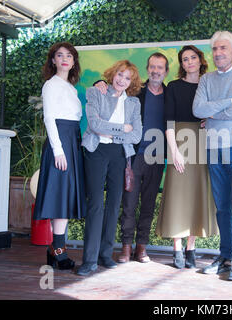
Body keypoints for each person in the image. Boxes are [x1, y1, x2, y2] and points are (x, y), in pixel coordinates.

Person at [193, 31, 232, 281]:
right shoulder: (207, 79)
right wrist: (229, 102)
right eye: (215, 49)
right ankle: (225, 256)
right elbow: (198, 108)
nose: (218, 53)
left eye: (223, 48)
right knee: (222, 206)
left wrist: (213, 114)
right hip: (213, 146)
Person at [94, 52, 168, 264]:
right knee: (129, 202)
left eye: (160, 67)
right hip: (133, 154)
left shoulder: (170, 93)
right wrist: (99, 81)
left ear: (165, 71)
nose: (155, 71)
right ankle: (126, 246)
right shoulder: (136, 90)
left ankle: (141, 247)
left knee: (148, 203)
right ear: (147, 69)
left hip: (157, 156)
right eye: (152, 67)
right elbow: (112, 88)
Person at [77, 60, 142, 276]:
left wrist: (112, 133)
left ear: (131, 82)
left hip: (119, 154)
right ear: (112, 74)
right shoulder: (96, 93)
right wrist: (122, 128)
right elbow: (94, 124)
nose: (122, 80)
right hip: (96, 152)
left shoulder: (133, 103)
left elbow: (136, 135)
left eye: (127, 78)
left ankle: (105, 254)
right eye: (120, 75)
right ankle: (89, 260)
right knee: (96, 204)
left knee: (114, 204)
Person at [155, 45, 218, 269]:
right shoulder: (173, 87)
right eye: (184, 59)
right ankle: (176, 249)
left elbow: (217, 110)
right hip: (179, 141)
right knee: (176, 193)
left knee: (196, 193)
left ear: (200, 60)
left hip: (203, 140)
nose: (189, 62)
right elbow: (168, 121)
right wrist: (174, 150)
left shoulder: (209, 84)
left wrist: (209, 119)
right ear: (181, 64)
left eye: (192, 57)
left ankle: (191, 248)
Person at [33, 42, 86, 270]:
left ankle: (56, 250)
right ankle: (58, 251)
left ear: (74, 61)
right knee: (59, 198)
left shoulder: (72, 88)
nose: (65, 58)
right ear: (53, 60)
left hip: (72, 141)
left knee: (64, 198)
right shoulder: (51, 85)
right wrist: (58, 150)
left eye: (69, 55)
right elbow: (49, 118)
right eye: (59, 55)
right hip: (61, 145)